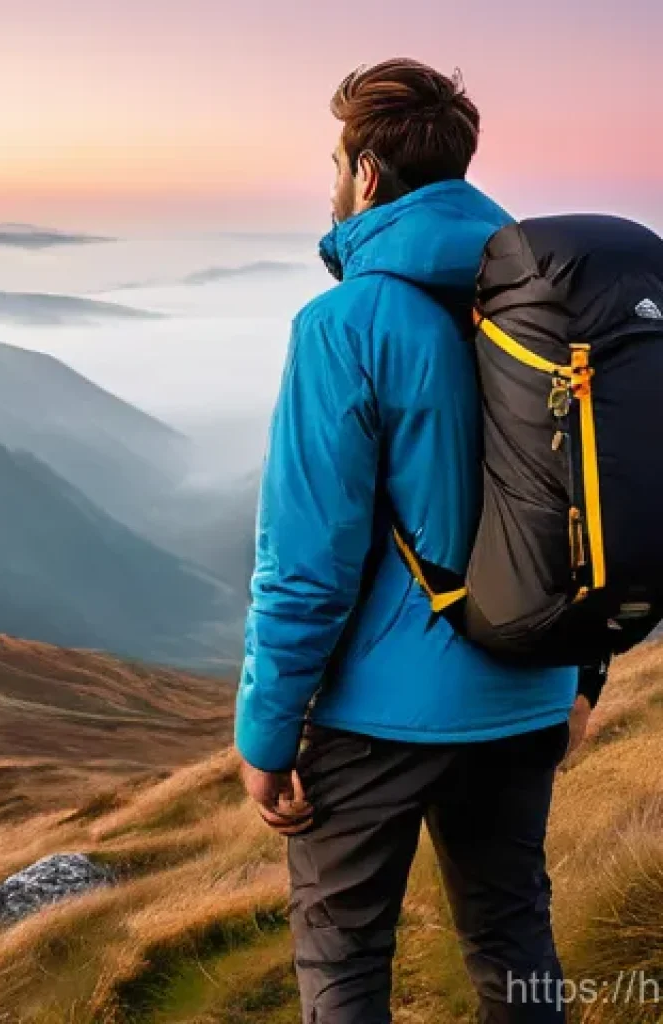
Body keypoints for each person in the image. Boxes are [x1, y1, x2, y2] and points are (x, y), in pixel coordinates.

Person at [234, 58, 608, 1024]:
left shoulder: (344, 323)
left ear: (365, 174)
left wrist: (266, 735)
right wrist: (581, 678)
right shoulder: (551, 310)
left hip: (378, 718)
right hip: (528, 692)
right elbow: (590, 504)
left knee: (346, 958)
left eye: (336, 163)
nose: (334, 181)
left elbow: (306, 563)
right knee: (514, 938)